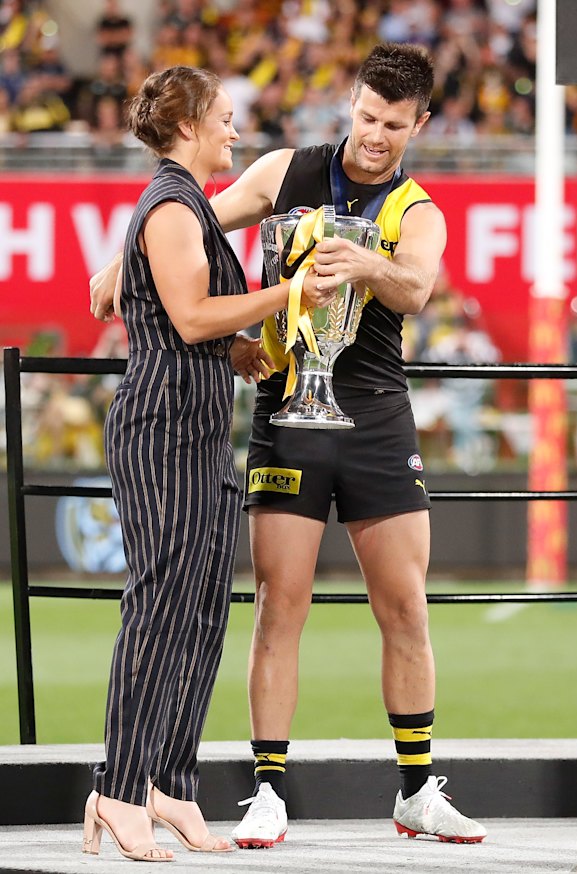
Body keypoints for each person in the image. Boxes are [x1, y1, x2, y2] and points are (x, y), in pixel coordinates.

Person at [89, 43, 487, 847]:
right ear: (351, 102)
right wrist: (116, 267)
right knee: (278, 605)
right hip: (285, 410)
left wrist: (366, 262)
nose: (376, 136)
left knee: (405, 605)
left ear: (421, 123)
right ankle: (267, 788)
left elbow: (415, 287)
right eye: (367, 117)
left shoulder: (419, 208)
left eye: (394, 125)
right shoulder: (283, 170)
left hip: (375, 416)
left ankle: (416, 788)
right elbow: (194, 220)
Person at [82, 64, 331, 863]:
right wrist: (288, 293)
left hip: (196, 426)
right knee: (159, 610)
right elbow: (189, 316)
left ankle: (169, 785)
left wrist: (254, 351)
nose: (234, 130)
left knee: (199, 615)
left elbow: (207, 332)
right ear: (187, 124)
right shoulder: (168, 203)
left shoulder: (188, 206)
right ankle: (118, 790)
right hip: (162, 428)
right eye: (224, 117)